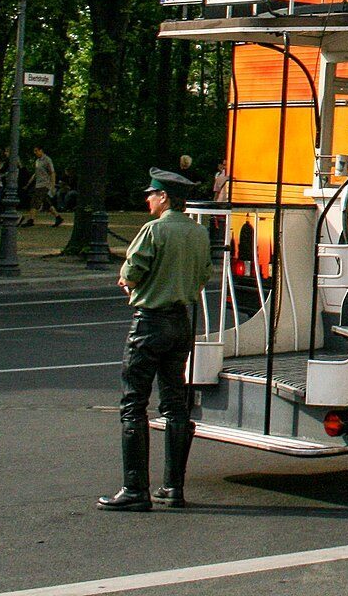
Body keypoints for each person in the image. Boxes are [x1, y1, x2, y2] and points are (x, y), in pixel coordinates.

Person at [98, 169, 213, 512]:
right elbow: (204, 274)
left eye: (151, 194)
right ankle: (173, 488)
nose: (148, 199)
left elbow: (132, 271)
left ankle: (135, 489)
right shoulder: (199, 233)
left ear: (164, 198)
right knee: (175, 405)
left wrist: (131, 284)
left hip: (149, 323)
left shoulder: (154, 230)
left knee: (134, 404)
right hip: (181, 323)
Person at [25, 145, 64, 227]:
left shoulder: (47, 160)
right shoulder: (37, 161)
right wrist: (28, 183)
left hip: (45, 184)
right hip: (38, 184)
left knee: (35, 201)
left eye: (36, 150)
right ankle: (58, 217)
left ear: (41, 150)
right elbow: (36, 173)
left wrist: (52, 186)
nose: (35, 152)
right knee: (46, 203)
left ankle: (31, 220)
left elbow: (52, 172)